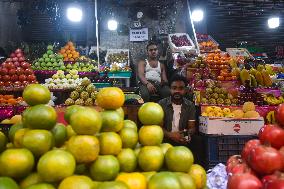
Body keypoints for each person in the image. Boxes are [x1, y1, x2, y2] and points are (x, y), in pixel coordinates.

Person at [158, 74, 196, 145]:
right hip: (166, 139)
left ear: (185, 90)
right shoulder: (161, 104)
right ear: (170, 89)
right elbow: (158, 127)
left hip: (182, 139)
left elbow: (192, 128)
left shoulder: (190, 106)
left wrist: (186, 135)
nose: (177, 91)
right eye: (174, 88)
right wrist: (171, 135)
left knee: (198, 141)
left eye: (181, 88)